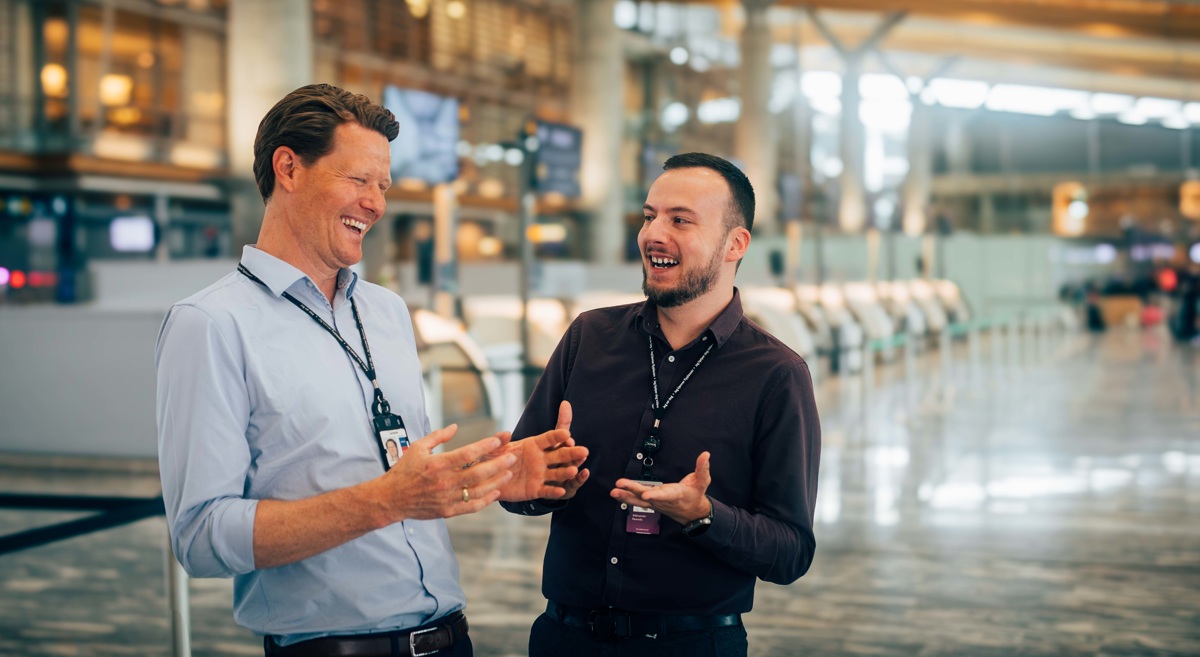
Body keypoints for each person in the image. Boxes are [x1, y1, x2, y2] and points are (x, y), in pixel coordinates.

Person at [155, 84, 587, 657]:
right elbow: (201, 538)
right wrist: (386, 500)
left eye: (382, 186)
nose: (376, 203)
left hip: (450, 639)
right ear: (289, 167)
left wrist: (488, 475)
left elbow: (404, 472)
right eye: (358, 180)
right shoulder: (210, 324)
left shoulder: (385, 312)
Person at [503, 153, 821, 657]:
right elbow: (518, 483)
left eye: (681, 220)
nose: (654, 233)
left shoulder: (776, 375)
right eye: (649, 216)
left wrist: (704, 515)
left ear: (735, 244)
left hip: (693, 643)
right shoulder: (590, 336)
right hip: (564, 636)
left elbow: (790, 552)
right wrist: (534, 484)